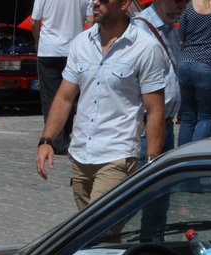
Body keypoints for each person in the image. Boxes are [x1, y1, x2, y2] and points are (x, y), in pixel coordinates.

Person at [35, 0, 168, 210]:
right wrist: (46, 140)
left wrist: (151, 162)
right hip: (80, 156)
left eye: (104, 0)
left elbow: (155, 110)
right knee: (90, 233)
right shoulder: (81, 43)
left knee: (99, 231)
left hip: (117, 156)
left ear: (124, 3)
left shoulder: (145, 48)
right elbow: (65, 97)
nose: (95, 3)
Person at [176, 0, 211, 145]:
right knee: (206, 117)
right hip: (210, 64)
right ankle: (195, 156)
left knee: (187, 117)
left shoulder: (188, 6)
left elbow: (180, 41)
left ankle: (180, 158)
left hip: (185, 63)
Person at [31, 0, 86, 137]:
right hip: (74, 49)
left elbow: (34, 22)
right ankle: (66, 135)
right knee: (71, 96)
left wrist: (37, 40)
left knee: (50, 96)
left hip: (49, 49)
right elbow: (91, 21)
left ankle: (54, 138)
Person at [137, 0, 182, 153]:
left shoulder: (171, 29)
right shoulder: (140, 28)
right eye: (178, 0)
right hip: (145, 128)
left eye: (186, 1)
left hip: (166, 125)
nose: (182, 5)